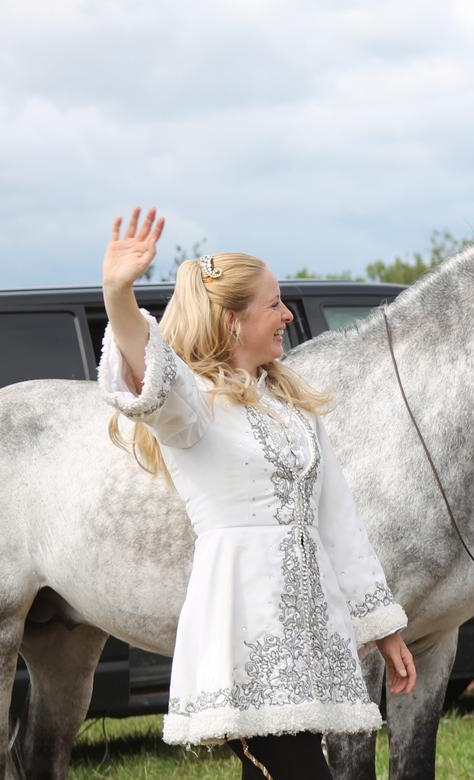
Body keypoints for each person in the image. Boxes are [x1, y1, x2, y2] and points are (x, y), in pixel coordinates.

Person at [98, 208, 415, 778]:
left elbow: (339, 521)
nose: (288, 315)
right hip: (245, 627)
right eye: (273, 305)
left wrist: (384, 627)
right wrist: (119, 294)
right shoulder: (192, 403)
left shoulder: (290, 406)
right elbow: (150, 373)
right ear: (231, 321)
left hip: (310, 626)